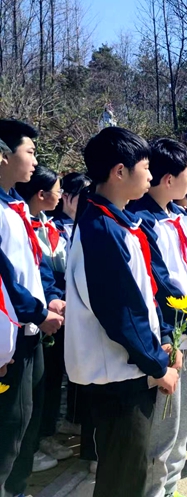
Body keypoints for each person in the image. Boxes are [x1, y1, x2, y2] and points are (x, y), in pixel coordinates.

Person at [63, 127, 178, 497]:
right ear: (119, 172)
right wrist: (157, 364)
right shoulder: (102, 229)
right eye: (144, 167)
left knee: (126, 467)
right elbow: (122, 312)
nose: (149, 175)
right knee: (124, 473)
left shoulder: (110, 220)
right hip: (117, 373)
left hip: (123, 367)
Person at [127, 138, 187, 497]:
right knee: (162, 432)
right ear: (168, 179)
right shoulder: (142, 221)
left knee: (182, 425)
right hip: (171, 339)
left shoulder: (178, 216)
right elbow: (161, 284)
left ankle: (171, 488)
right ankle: (154, 491)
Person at [0, 122, 66, 496]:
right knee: (9, 425)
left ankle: (19, 487)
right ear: (4, 156)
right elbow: (5, 277)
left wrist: (49, 298)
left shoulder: (15, 206)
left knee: (26, 419)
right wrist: (39, 313)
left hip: (28, 331)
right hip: (12, 332)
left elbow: (33, 264)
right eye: (30, 152)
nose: (35, 160)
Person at [16, 166, 75, 468]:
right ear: (41, 194)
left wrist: (54, 299)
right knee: (28, 393)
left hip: (45, 314)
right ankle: (29, 448)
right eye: (58, 188)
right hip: (25, 321)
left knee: (47, 382)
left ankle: (41, 436)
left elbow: (46, 273)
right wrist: (47, 305)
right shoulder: (21, 223)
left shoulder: (45, 224)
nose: (61, 194)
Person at [51, 172, 91, 241]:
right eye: (84, 194)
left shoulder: (89, 225)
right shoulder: (54, 227)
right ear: (65, 196)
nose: (88, 199)